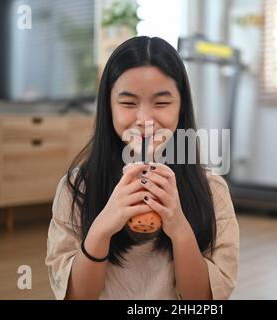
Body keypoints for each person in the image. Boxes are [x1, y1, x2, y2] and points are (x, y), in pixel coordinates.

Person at [45, 36, 239, 300]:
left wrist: (179, 227)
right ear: (108, 107)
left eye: (161, 103)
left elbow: (203, 300)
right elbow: (76, 297)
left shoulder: (212, 191)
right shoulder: (77, 188)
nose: (145, 120)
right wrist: (102, 227)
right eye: (127, 103)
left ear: (181, 107)